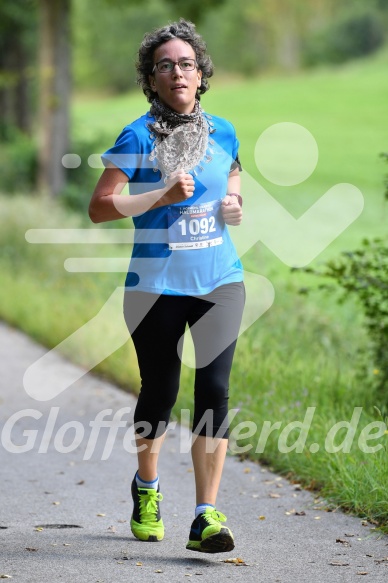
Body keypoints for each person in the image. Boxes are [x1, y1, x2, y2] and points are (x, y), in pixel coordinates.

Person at [89, 18, 244, 554]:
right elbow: (100, 208)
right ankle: (147, 487)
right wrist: (157, 196)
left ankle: (206, 515)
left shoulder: (222, 129)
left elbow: (233, 172)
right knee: (160, 392)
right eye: (164, 66)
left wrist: (234, 203)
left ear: (200, 75)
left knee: (215, 391)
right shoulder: (136, 136)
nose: (177, 72)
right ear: (150, 79)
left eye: (186, 63)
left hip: (221, 280)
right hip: (155, 285)